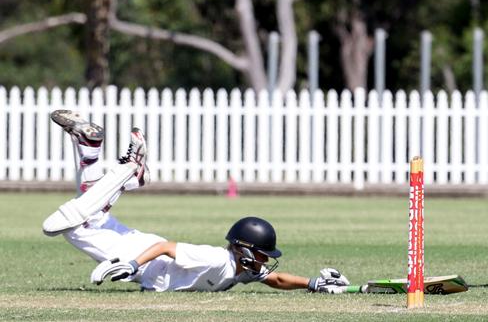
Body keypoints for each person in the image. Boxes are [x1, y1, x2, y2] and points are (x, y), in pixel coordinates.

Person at [42, 110, 350, 293]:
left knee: (90, 215)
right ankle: (126, 172)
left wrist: (315, 284)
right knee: (68, 226)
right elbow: (167, 247)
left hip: (138, 251)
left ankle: (92, 148)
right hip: (136, 255)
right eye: (261, 255)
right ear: (244, 250)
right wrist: (131, 264)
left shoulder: (242, 270)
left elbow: (278, 279)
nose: (265, 261)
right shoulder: (216, 259)